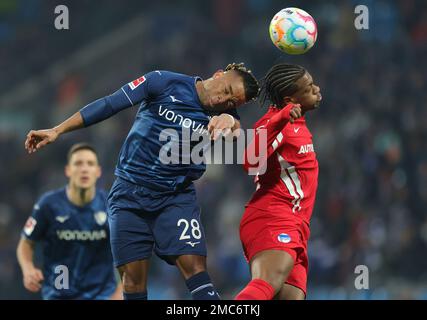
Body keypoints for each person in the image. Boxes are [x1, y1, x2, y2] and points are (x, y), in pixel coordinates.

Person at [24, 63, 260, 300]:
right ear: (219, 74)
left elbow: (235, 130)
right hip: (128, 195)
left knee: (196, 270)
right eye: (227, 89)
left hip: (175, 197)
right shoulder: (163, 81)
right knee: (133, 282)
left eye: (232, 102)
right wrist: (58, 130)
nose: (223, 98)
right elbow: (109, 104)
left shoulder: (223, 115)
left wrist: (230, 121)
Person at [235, 63, 322, 300]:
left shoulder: (298, 123)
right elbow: (250, 162)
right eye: (309, 87)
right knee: (265, 284)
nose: (317, 89)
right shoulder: (275, 121)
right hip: (272, 217)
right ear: (290, 99)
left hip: (297, 226)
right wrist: (281, 118)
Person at [17, 143, 122, 300]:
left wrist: (121, 291)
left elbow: (128, 255)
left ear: (98, 171)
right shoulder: (48, 205)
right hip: (58, 294)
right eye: (78, 163)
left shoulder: (111, 206)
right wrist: (28, 269)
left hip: (101, 295)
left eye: (90, 164)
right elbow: (26, 243)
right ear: (68, 170)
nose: (84, 169)